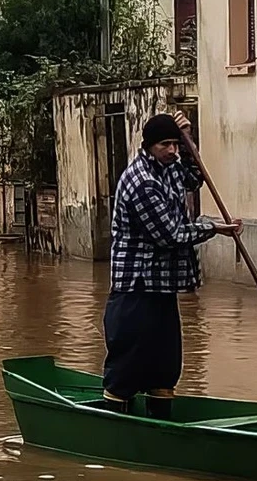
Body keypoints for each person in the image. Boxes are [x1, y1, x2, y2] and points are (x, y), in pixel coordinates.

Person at [101, 111, 241, 419]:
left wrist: (190, 138)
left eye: (175, 144)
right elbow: (170, 235)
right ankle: (115, 425)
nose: (173, 151)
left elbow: (196, 175)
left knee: (165, 364)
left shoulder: (171, 167)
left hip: (163, 285)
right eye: (167, 145)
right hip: (135, 287)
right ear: (150, 145)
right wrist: (214, 228)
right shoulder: (142, 182)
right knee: (128, 363)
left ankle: (161, 422)